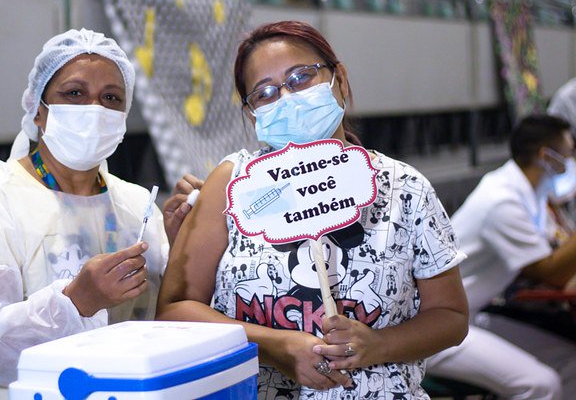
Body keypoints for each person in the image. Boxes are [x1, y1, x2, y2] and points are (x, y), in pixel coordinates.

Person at [157, 20, 469, 398]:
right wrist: (273, 346)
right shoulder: (232, 184)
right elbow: (174, 310)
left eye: (301, 77)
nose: (287, 97)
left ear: (341, 80)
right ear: (252, 113)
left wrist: (378, 344)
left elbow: (451, 318)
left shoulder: (405, 188)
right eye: (265, 93)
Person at [0, 29, 171, 399]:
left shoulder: (138, 207)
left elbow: (158, 322)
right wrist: (76, 302)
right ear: (38, 110)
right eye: (74, 93)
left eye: (111, 98)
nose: (94, 109)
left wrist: (183, 245)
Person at [426, 114, 576, 399]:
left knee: (571, 363)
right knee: (541, 385)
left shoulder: (530, 193)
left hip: (471, 312)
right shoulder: (502, 200)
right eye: (569, 155)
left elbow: (554, 252)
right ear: (547, 157)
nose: (572, 163)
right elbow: (550, 271)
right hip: (436, 326)